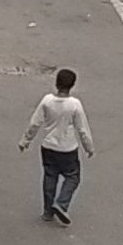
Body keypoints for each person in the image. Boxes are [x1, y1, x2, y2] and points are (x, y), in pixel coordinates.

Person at [19, 67, 94, 224]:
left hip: (48, 147)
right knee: (73, 177)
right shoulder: (74, 105)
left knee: (49, 177)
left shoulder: (47, 101)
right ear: (72, 85)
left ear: (56, 83)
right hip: (68, 149)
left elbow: (35, 123)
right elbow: (82, 129)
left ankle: (47, 211)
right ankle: (61, 203)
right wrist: (88, 147)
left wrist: (25, 141)